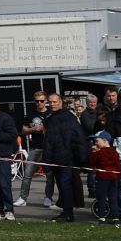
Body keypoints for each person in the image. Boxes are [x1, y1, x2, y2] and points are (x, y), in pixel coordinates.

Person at [41, 93, 86, 221]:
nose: (52, 104)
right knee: (62, 185)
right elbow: (49, 142)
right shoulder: (50, 118)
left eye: (54, 102)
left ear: (61, 103)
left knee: (65, 185)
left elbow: (78, 138)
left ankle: (68, 213)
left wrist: (81, 157)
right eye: (50, 102)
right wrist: (47, 160)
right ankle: (67, 212)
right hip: (57, 158)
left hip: (66, 158)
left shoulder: (67, 118)